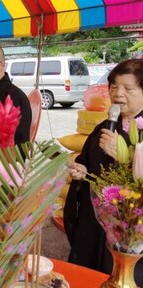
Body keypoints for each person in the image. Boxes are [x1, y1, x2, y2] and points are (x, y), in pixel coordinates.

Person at [64, 59, 143, 285]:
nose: (118, 93)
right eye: (114, 87)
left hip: (129, 228)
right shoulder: (105, 127)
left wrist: (125, 157)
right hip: (95, 219)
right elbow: (87, 162)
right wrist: (81, 171)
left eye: (128, 88)